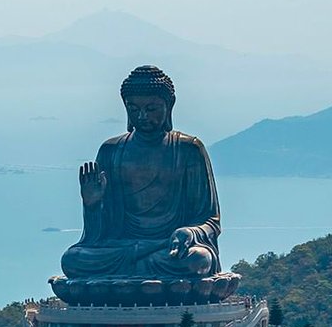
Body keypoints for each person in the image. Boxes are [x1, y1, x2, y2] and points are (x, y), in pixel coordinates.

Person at [56, 66, 221, 288]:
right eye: (134, 109)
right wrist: (93, 204)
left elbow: (210, 220)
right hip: (122, 250)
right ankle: (141, 274)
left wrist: (189, 232)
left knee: (197, 260)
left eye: (152, 108)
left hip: (169, 250)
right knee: (73, 260)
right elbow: (101, 234)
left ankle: (134, 276)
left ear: (169, 106)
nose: (142, 116)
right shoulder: (111, 151)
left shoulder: (188, 149)